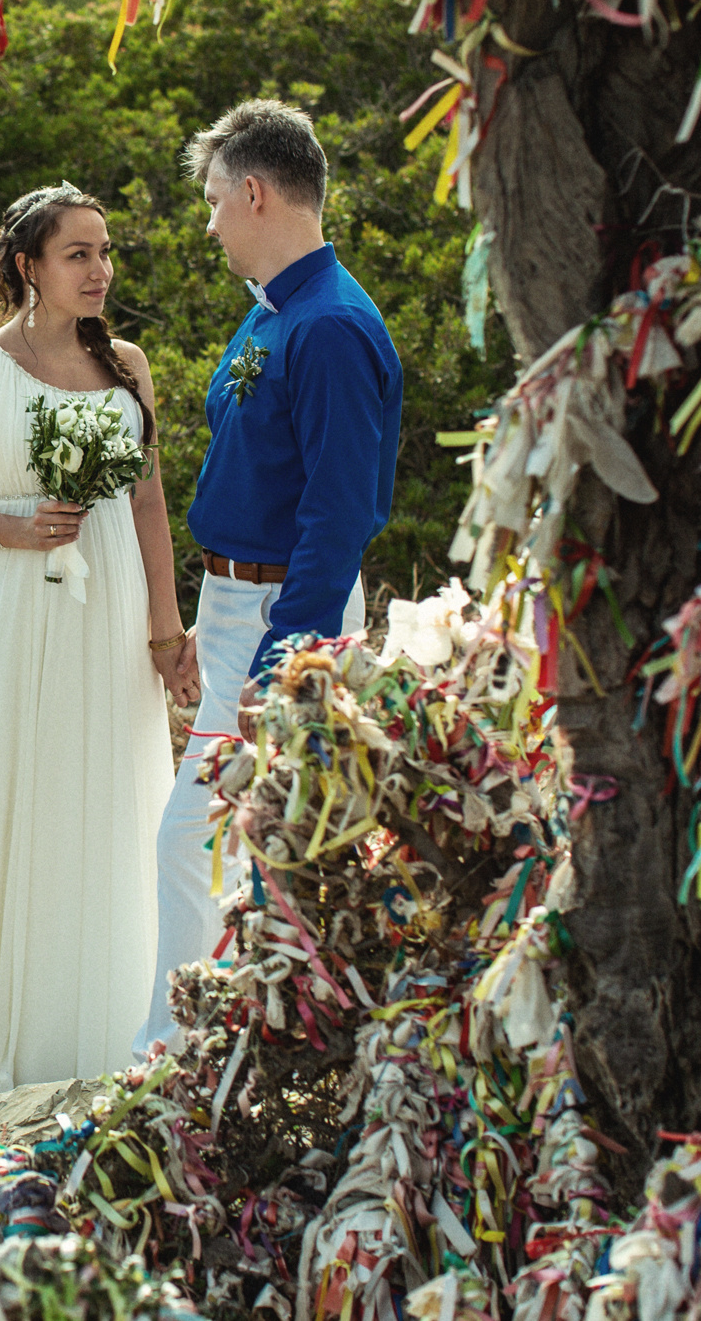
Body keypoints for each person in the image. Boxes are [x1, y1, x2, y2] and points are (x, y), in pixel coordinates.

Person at [0, 184, 201, 1114]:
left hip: (110, 614)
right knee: (8, 800)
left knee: (101, 802)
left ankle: (99, 1032)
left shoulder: (127, 364)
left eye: (104, 253)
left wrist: (167, 633)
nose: (100, 271)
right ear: (28, 266)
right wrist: (9, 529)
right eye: (78, 254)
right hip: (12, 611)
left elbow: (145, 505)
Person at [135, 100, 405, 1057]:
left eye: (213, 201)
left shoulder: (328, 326)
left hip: (285, 614)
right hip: (235, 606)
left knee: (201, 838)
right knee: (241, 840)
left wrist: (281, 658)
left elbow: (341, 514)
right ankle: (229, 1035)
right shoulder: (277, 312)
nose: (207, 223)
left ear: (253, 192)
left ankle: (173, 1049)